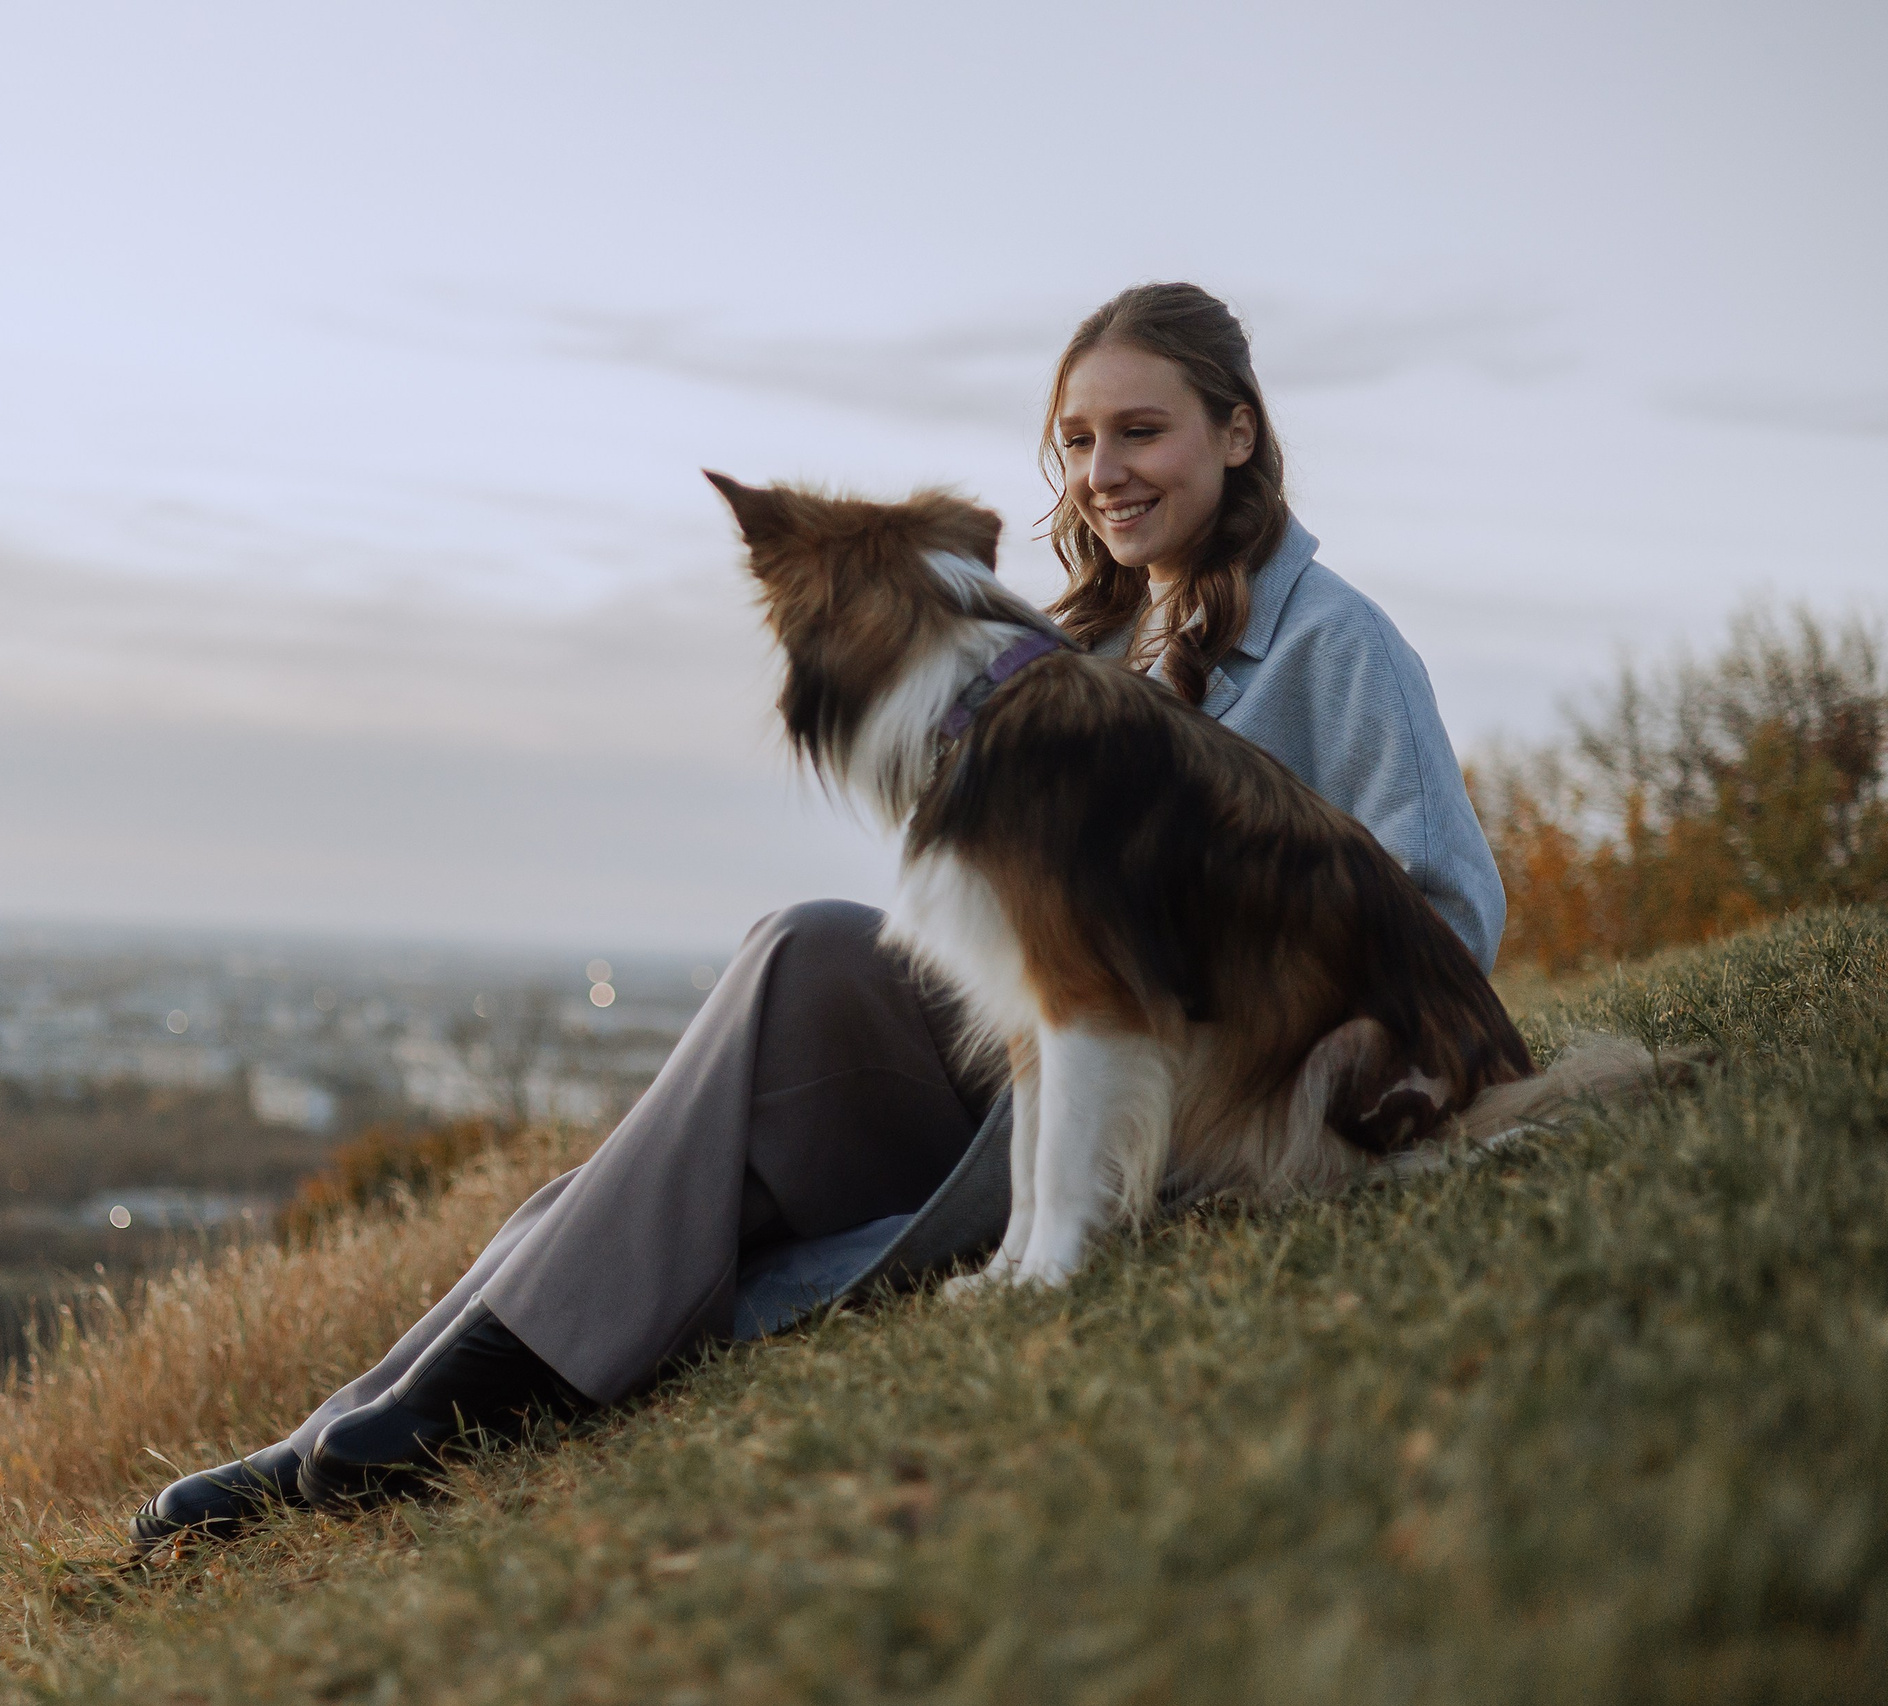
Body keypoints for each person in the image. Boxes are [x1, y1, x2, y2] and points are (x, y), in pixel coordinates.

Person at [127, 281, 1506, 1549]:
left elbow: (1435, 920)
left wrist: (1256, 1021)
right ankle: (342, 1426)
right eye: (1077, 442)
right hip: (1022, 1090)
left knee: (698, 1190)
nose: (1102, 473)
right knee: (774, 983)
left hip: (1211, 1105)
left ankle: (473, 1394)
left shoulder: (1332, 638)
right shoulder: (1074, 645)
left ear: (1240, 433)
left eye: (1141, 431)